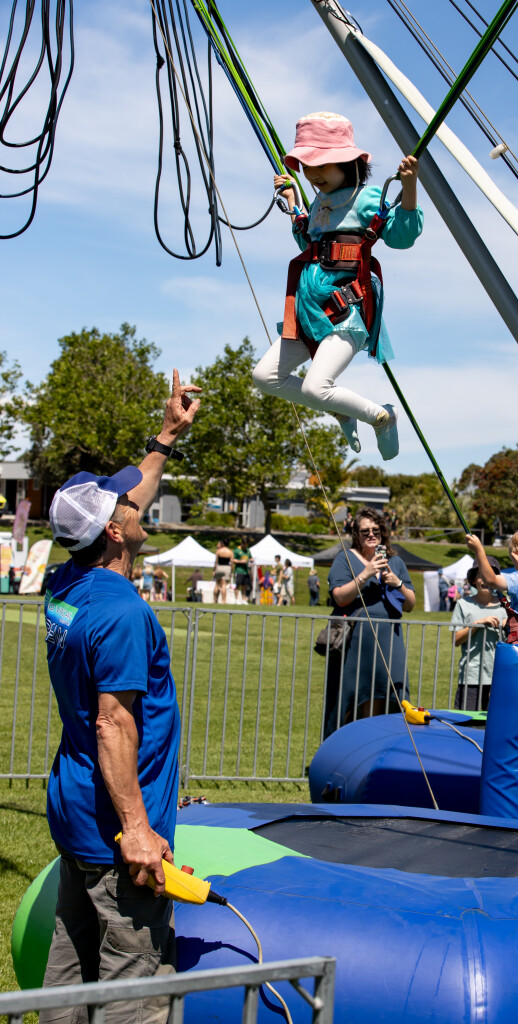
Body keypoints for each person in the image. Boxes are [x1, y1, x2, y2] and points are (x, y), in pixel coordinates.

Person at [39, 369, 200, 1023]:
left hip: (77, 809)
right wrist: (137, 830)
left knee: (69, 971)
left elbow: (129, 493)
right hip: (117, 829)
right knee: (134, 983)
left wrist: (166, 436)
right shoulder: (122, 613)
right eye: (125, 506)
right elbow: (113, 725)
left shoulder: (64, 584)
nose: (138, 505)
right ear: (114, 531)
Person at [252, 111, 423, 461]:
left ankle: (382, 417)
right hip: (309, 312)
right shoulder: (318, 203)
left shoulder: (367, 198)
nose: (313, 174)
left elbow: (401, 237)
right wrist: (294, 203)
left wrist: (409, 188)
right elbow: (310, 246)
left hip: (346, 311)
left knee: (316, 388)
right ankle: (341, 410)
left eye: (322, 165)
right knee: (265, 377)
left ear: (348, 163)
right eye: (307, 166)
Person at [326, 506, 415, 737]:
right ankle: (345, 746)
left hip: (389, 641)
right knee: (351, 697)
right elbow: (340, 597)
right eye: (365, 531)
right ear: (356, 534)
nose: (371, 535)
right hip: (356, 643)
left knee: (386, 696)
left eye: (376, 530)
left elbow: (410, 604)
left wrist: (397, 583)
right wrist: (365, 574)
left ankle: (378, 745)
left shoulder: (395, 562)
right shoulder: (345, 559)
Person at [450, 557, 507, 711]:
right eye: (481, 575)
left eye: (489, 575)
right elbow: (455, 639)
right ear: (474, 580)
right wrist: (476, 625)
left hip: (499, 676)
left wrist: (509, 627)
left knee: (495, 721)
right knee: (466, 720)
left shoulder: (506, 606)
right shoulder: (463, 604)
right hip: (471, 676)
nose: (485, 580)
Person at [213, 537, 233, 604]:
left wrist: (214, 570)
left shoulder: (218, 551)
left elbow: (216, 562)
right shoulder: (230, 552)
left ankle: (215, 599)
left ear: (223, 543)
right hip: (226, 567)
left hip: (219, 567)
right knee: (224, 584)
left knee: (217, 583)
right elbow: (231, 563)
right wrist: (231, 571)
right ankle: (223, 600)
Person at [232, 539, 250, 604]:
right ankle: (236, 599)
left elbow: (250, 557)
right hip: (239, 570)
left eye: (246, 544)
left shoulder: (247, 550)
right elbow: (233, 559)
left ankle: (243, 599)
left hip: (246, 571)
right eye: (244, 544)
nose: (245, 545)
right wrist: (240, 561)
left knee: (245, 586)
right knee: (238, 585)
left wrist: (251, 560)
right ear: (241, 543)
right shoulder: (237, 550)